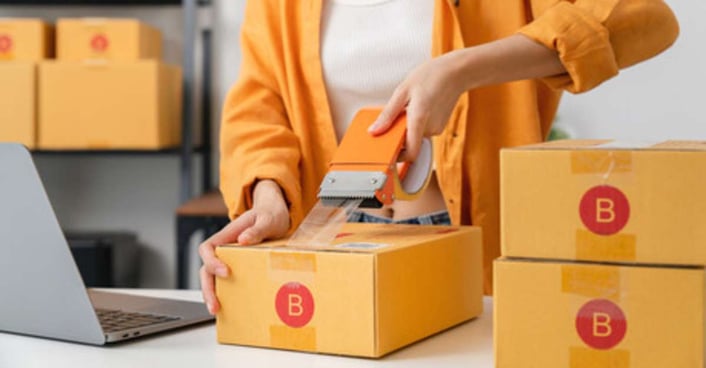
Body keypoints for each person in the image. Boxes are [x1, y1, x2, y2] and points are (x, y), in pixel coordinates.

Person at [199, 0, 679, 314]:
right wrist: (267, 198)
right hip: (331, 243)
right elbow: (258, 106)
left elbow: (645, 18)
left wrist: (462, 68)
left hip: (468, 240)